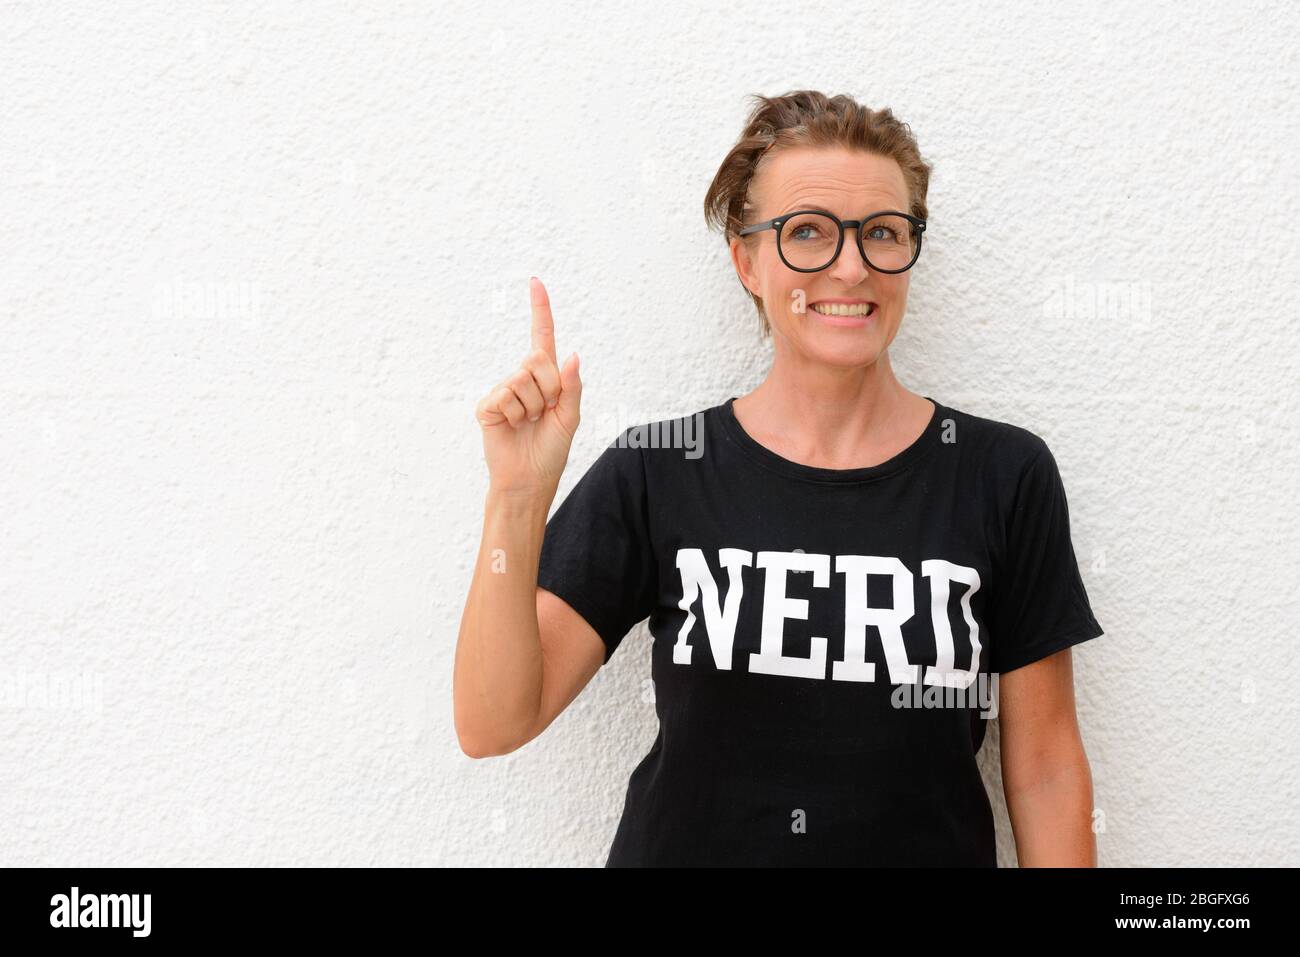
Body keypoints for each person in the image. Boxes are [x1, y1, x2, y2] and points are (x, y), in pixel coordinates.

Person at [454, 90, 1105, 867]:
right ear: (747, 262)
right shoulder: (661, 469)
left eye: (883, 232)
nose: (851, 266)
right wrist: (517, 498)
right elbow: (493, 721)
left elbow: (1045, 772)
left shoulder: (1003, 476)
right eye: (807, 232)